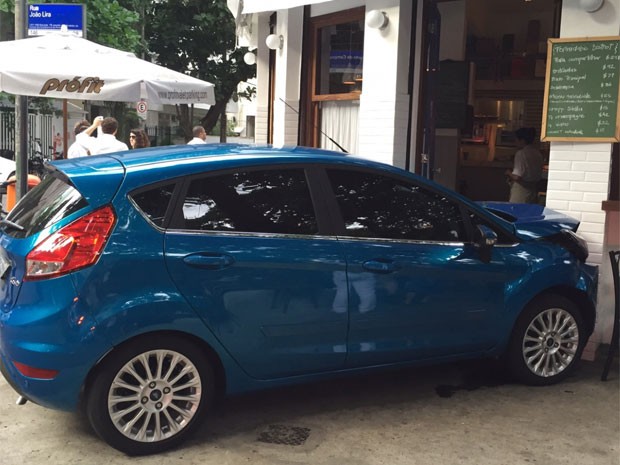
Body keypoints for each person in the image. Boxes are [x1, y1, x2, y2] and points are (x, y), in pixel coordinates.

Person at [505, 127, 544, 204]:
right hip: (533, 190)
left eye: (516, 140)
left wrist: (508, 173)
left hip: (521, 191)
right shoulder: (538, 153)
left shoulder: (521, 153)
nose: (515, 142)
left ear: (522, 140)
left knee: (516, 213)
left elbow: (517, 176)